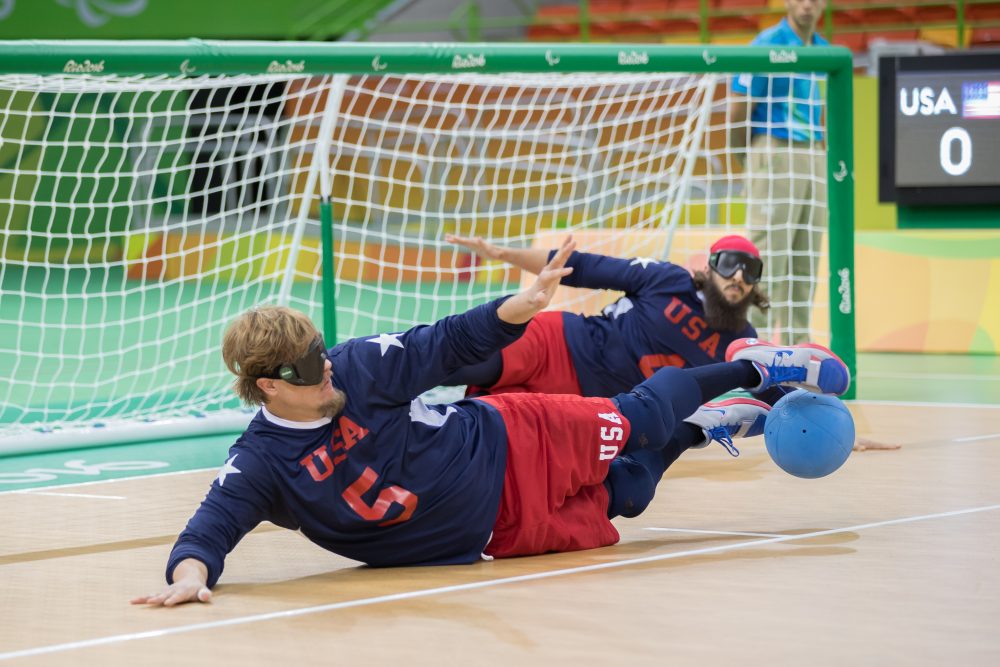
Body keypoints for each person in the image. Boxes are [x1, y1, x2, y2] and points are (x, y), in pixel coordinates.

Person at [132, 236, 851, 606]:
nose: (327, 368)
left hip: (512, 438)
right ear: (265, 387)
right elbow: (208, 531)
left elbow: (443, 342)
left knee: (634, 419)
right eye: (305, 369)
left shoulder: (354, 368)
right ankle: (714, 424)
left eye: (321, 352)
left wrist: (517, 304)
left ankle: (757, 372)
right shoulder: (260, 464)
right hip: (493, 535)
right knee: (628, 495)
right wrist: (189, 575)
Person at [442, 233, 896, 453]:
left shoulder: (742, 344)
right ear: (710, 267)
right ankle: (377, 374)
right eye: (730, 264)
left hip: (578, 403)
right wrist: (503, 254)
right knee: (461, 364)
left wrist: (843, 434)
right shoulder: (668, 280)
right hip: (559, 343)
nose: (738, 277)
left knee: (475, 427)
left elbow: (783, 399)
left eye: (750, 271)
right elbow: (577, 265)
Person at [728, 0, 829, 345]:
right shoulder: (765, 45)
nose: (807, 4)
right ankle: (751, 346)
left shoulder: (824, 51)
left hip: (813, 154)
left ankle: (798, 347)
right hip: (774, 149)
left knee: (806, 256)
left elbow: (821, 110)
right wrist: (750, 158)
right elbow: (739, 106)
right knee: (768, 256)